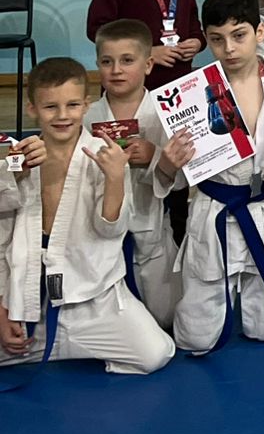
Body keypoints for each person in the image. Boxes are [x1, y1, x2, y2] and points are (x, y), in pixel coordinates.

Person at [0, 59, 174, 376]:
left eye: (72, 105)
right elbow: (3, 242)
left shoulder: (105, 155)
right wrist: (2, 307)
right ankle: (58, 345)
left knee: (155, 353)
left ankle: (64, 345)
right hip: (30, 298)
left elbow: (110, 231)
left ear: (86, 105)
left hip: (95, 299)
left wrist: (115, 178)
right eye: (50, 106)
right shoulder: (20, 160)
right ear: (32, 108)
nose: (62, 115)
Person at [158, 0, 264, 351]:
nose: (229, 49)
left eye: (239, 36)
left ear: (260, 32)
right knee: (197, 340)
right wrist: (167, 163)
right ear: (207, 40)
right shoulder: (190, 94)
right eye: (217, 39)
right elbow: (170, 178)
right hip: (215, 210)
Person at [84, 21, 178, 327]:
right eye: (106, 62)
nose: (116, 70)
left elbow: (180, 180)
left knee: (166, 318)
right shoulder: (87, 117)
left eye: (127, 60)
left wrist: (155, 156)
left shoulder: (164, 113)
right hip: (101, 238)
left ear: (148, 64)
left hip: (151, 234)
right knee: (110, 321)